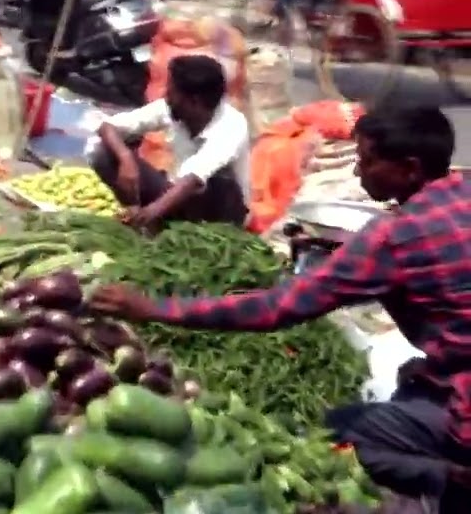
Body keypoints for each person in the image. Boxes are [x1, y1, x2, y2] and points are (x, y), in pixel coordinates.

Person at [88, 106, 471, 514]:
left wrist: (153, 308)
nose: (359, 172)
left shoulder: (392, 238)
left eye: (368, 161)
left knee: (337, 435)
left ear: (410, 169)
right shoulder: (463, 193)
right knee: (412, 379)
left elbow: (280, 307)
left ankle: (453, 484)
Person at [89, 55, 249, 228]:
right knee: (104, 155)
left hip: (217, 210)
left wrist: (151, 212)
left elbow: (193, 179)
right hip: (176, 194)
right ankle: (143, 217)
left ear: (194, 102)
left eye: (172, 92)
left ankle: (167, 226)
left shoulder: (232, 126)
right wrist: (126, 157)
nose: (167, 97)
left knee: (219, 185)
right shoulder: (171, 109)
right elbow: (107, 126)